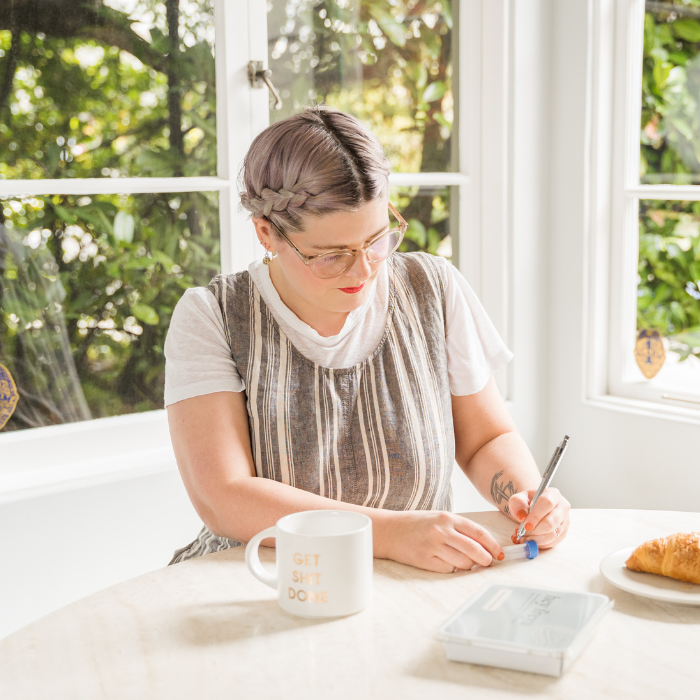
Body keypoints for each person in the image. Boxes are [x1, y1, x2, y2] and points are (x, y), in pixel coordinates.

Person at [164, 105, 570, 573]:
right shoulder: (212, 314)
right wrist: (390, 533)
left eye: (378, 240)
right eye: (332, 255)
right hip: (263, 580)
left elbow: (485, 439)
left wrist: (525, 497)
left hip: (412, 575)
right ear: (266, 233)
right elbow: (224, 497)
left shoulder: (432, 287)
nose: (364, 270)